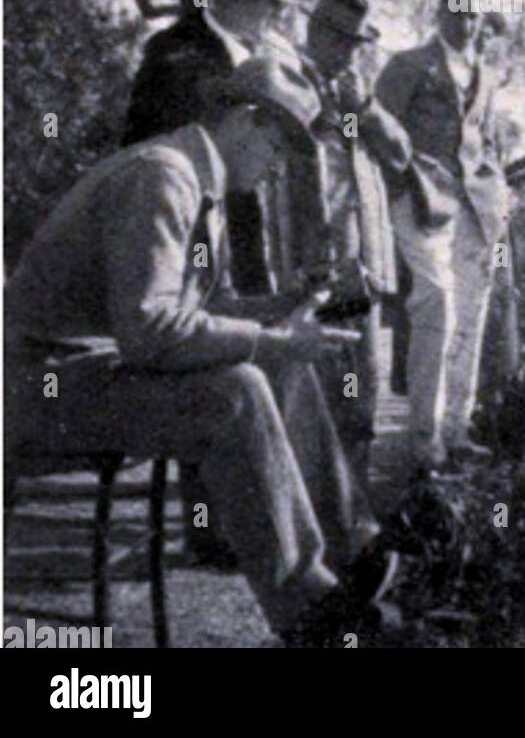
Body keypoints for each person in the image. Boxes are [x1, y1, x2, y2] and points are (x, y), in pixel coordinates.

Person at [6, 54, 400, 647]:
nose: (276, 168)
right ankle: (307, 611)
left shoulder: (198, 182)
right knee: (237, 390)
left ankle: (352, 555)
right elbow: (149, 330)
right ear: (243, 120)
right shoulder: (163, 178)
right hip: (36, 388)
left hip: (90, 372)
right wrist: (271, 340)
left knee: (279, 368)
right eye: (275, 146)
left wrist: (299, 301)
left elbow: (204, 311)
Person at [375, 0, 510, 474]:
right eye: (457, 13)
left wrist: (499, 195)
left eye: (474, 16)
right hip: (422, 199)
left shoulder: (487, 77)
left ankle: (457, 430)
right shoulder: (408, 65)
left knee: (471, 314)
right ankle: (424, 437)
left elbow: (487, 143)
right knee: (438, 303)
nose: (465, 23)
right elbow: (378, 130)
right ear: (438, 15)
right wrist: (401, 187)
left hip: (476, 207)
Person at [122, 0, 299, 296]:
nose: (276, 18)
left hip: (240, 216)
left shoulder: (257, 55)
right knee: (192, 304)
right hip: (185, 209)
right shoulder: (176, 49)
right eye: (269, 5)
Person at [300, 0, 412, 485]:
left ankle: (352, 503)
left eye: (355, 44)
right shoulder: (290, 82)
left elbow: (400, 154)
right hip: (320, 265)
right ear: (314, 32)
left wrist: (363, 108)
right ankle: (325, 507)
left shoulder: (356, 95)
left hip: (363, 264)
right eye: (340, 40)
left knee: (361, 389)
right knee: (325, 392)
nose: (348, 54)